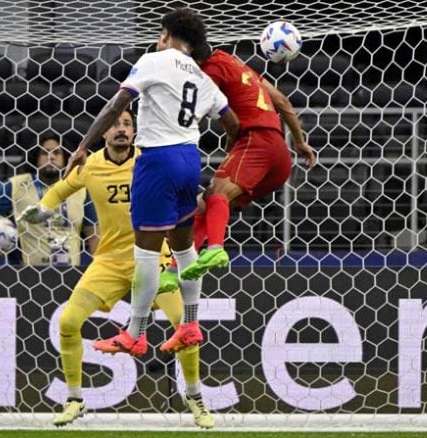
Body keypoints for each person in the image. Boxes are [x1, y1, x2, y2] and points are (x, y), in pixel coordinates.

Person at [19, 109, 215, 428]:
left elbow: (182, 187)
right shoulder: (90, 165)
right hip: (109, 260)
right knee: (68, 322)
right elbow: (59, 189)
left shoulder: (150, 160)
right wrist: (43, 209)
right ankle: (75, 400)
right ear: (104, 133)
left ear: (135, 131)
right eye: (114, 124)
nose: (121, 129)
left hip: (154, 257)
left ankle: (194, 396)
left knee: (184, 323)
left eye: (127, 124)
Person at [66, 8, 239, 356]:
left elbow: (116, 105)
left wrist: (84, 145)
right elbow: (232, 123)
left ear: (166, 35)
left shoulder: (153, 61)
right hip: (190, 161)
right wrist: (229, 162)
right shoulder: (203, 77)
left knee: (145, 253)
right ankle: (190, 324)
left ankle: (135, 333)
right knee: (184, 249)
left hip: (157, 161)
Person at [162, 43, 316, 283]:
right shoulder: (236, 64)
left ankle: (215, 248)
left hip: (256, 141)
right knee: (206, 205)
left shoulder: (211, 70)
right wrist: (299, 142)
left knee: (216, 194)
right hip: (279, 155)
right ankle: (174, 270)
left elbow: (204, 112)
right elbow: (283, 102)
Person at [0, 131, 97, 265]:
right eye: (44, 153)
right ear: (35, 157)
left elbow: (94, 233)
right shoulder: (17, 185)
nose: (51, 157)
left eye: (56, 153)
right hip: (28, 273)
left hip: (71, 273)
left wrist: (97, 265)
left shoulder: (79, 189)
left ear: (66, 158)